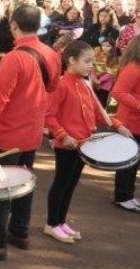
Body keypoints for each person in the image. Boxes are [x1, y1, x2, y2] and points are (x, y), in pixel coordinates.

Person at [0, 5, 60, 261]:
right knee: (23, 182)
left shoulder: (14, 57)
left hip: (7, 133)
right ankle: (19, 231)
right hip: (32, 131)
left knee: (0, 187)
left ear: (13, 25)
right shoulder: (51, 54)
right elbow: (53, 87)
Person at [44, 41, 132, 242]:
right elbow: (48, 115)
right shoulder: (61, 84)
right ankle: (51, 223)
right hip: (67, 145)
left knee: (71, 184)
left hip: (85, 145)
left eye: (92, 61)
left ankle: (61, 221)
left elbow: (98, 111)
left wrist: (117, 125)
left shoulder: (85, 84)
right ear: (71, 60)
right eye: (87, 61)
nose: (92, 65)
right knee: (61, 183)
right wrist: (63, 135)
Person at [110, 34, 140, 212]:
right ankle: (121, 196)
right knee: (128, 163)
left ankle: (128, 195)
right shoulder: (133, 68)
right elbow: (118, 92)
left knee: (135, 163)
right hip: (131, 124)